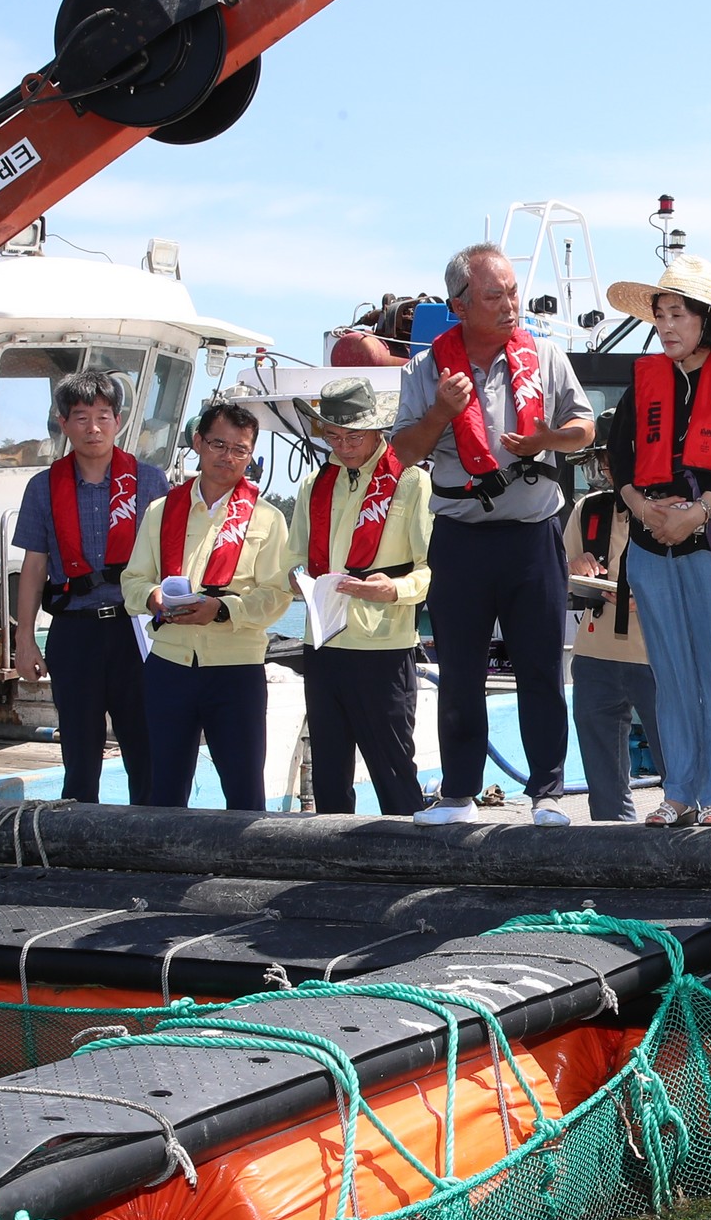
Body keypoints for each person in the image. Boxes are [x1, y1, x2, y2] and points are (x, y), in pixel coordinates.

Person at [392, 243, 595, 826]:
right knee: (459, 673)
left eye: (512, 291)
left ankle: (549, 795)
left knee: (540, 670)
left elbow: (583, 427)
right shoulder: (424, 370)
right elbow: (402, 454)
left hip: (534, 536)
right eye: (494, 295)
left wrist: (546, 441)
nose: (511, 305)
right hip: (459, 538)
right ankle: (457, 796)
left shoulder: (548, 356)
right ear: (459, 305)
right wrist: (438, 413)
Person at [603, 255, 711, 826]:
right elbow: (621, 459)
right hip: (652, 543)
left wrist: (694, 515)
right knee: (672, 671)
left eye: (678, 313)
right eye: (660, 316)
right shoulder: (642, 384)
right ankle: (679, 789)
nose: (668, 326)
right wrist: (644, 509)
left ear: (707, 318)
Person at [121, 397, 291, 808]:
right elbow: (131, 582)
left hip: (236, 670)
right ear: (198, 443)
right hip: (169, 666)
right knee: (163, 789)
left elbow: (277, 596)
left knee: (245, 789)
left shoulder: (267, 518)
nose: (227, 457)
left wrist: (223, 609)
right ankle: (164, 871)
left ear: (251, 456)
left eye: (240, 449)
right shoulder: (162, 511)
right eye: (218, 445)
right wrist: (153, 596)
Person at [285, 376, 431, 816]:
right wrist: (294, 580)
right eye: (333, 436)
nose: (343, 446)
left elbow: (432, 569)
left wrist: (394, 590)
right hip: (322, 643)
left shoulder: (411, 481)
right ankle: (330, 864)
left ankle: (408, 862)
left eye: (353, 436)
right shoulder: (313, 484)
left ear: (377, 432)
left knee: (392, 768)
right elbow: (293, 557)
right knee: (329, 769)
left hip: (382, 646)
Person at [10, 373, 152, 803]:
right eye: (82, 417)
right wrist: (24, 639)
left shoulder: (150, 482)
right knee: (79, 747)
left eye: (103, 417)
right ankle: (76, 847)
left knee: (146, 745)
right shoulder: (42, 488)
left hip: (135, 630)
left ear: (119, 421)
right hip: (74, 632)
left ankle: (153, 843)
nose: (94, 427)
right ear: (63, 423)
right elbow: (34, 567)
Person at [566, 464, 667, 822]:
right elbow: (563, 577)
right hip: (594, 653)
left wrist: (654, 594)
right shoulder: (589, 508)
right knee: (603, 778)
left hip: (657, 655)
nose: (610, 471)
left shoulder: (671, 509)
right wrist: (576, 567)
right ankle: (612, 839)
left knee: (676, 763)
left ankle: (687, 835)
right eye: (605, 464)